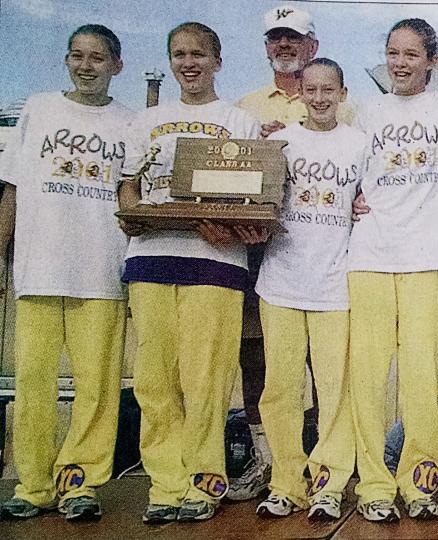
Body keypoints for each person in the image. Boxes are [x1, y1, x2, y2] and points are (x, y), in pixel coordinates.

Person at [116, 22, 262, 524]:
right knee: (155, 381)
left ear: (217, 60)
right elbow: (127, 187)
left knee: (206, 381)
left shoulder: (238, 120)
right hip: (150, 257)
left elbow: (254, 198)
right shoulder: (145, 120)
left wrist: (230, 222)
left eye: (198, 53)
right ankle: (165, 483)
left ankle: (204, 482)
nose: (188, 62)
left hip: (215, 263)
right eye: (178, 54)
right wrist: (133, 212)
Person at [347, 18, 438, 522]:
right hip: (369, 258)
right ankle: (374, 484)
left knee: (421, 379)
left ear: (432, 60)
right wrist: (354, 199)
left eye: (410, 54)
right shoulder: (366, 110)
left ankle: (419, 480)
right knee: (367, 378)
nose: (400, 63)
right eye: (393, 53)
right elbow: (341, 164)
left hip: (426, 260)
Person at [0, 24, 131, 522]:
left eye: (97, 57)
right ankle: (32, 485)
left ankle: (80, 482)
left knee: (96, 387)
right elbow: (11, 190)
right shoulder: (37, 108)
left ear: (116, 65)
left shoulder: (129, 122)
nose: (86, 65)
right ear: (66, 61)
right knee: (33, 383)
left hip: (101, 269)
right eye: (77, 55)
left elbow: (129, 198)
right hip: (38, 269)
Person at [229, 5, 354, 501]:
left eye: (293, 38)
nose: (284, 46)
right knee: (267, 373)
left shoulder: (356, 124)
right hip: (262, 262)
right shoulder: (248, 110)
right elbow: (230, 181)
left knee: (330, 380)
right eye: (276, 39)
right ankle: (278, 471)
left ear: (312, 47)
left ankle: (330, 475)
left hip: (331, 273)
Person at [252, 58, 363, 522]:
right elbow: (253, 197)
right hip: (280, 281)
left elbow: (374, 198)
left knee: (335, 389)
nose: (320, 98)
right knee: (280, 389)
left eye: (328, 89)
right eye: (312, 89)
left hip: (334, 284)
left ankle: (330, 482)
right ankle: (285, 483)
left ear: (341, 92)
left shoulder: (360, 143)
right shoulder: (280, 141)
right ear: (300, 91)